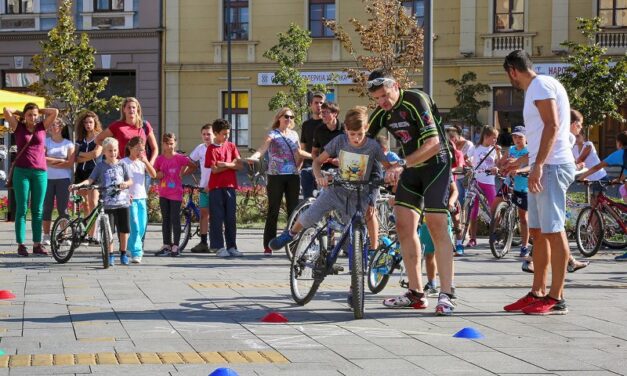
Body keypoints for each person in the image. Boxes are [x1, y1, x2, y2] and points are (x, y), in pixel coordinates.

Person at [268, 106, 394, 306]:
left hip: (360, 195)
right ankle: (290, 234)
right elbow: (318, 161)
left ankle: (355, 288)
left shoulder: (373, 147)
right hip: (336, 191)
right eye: (352, 134)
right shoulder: (340, 141)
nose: (355, 138)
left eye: (359, 134)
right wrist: (318, 176)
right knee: (311, 215)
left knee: (356, 243)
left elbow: (387, 167)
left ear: (367, 128)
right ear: (346, 131)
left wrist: (393, 172)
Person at [365, 69, 456, 316]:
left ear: (395, 85)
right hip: (411, 169)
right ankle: (416, 293)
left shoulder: (416, 99)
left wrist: (401, 164)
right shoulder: (383, 112)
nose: (383, 102)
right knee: (404, 224)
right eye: (377, 99)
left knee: (437, 224)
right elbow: (364, 140)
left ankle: (446, 293)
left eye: (385, 95)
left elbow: (434, 142)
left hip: (436, 164)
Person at [502, 49, 576, 315]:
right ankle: (537, 292)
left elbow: (552, 126)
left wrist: (539, 165)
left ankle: (557, 298)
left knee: (554, 231)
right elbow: (543, 131)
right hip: (543, 165)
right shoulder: (540, 86)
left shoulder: (541, 85)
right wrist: (522, 163)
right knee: (538, 231)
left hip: (552, 167)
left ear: (512, 70)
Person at [3, 103, 58, 256]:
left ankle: (37, 244)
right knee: (21, 208)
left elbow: (55, 111)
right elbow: (6, 110)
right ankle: (21, 244)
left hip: (40, 172)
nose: (32, 118)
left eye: (34, 115)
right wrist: (22, 112)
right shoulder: (18, 127)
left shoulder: (42, 126)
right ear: (24, 116)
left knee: (38, 209)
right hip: (22, 172)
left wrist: (38, 110)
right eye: (29, 115)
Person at [70, 137, 133, 266]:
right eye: (110, 150)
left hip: (123, 203)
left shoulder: (122, 164)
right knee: (109, 230)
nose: (113, 153)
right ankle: (110, 254)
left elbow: (130, 180)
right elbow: (90, 180)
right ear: (104, 151)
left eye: (115, 150)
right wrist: (78, 185)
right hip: (108, 203)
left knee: (124, 230)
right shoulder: (100, 166)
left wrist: (125, 184)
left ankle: (123, 253)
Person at [249, 108, 302, 256]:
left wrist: (313, 160)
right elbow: (263, 148)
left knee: (294, 211)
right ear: (279, 117)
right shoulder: (273, 134)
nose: (289, 119)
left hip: (292, 175)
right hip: (276, 176)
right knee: (273, 210)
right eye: (286, 116)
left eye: (292, 117)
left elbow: (299, 153)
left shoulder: (294, 134)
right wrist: (255, 156)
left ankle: (293, 246)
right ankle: (268, 245)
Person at [578, 131, 627, 261]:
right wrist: (619, 179)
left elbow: (597, 167)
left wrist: (581, 177)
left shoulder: (620, 153)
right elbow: (624, 174)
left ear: (619, 143)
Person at [153, 133, 196, 257]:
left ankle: (176, 246)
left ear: (175, 143)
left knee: (175, 219)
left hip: (176, 193)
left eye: (172, 143)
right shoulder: (160, 159)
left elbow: (193, 166)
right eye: (167, 143)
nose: (169, 146)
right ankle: (166, 244)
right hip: (163, 193)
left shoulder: (180, 158)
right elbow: (154, 172)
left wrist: (183, 174)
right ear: (163, 144)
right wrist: (158, 175)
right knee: (165, 219)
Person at [205, 119, 244, 257]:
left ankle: (232, 246)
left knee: (230, 218)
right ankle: (219, 247)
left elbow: (239, 165)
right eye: (223, 134)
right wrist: (230, 164)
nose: (226, 136)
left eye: (228, 133)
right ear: (215, 133)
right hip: (216, 187)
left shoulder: (232, 146)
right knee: (217, 217)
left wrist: (225, 164)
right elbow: (214, 170)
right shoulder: (211, 148)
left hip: (230, 186)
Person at [420, 179, 459, 297]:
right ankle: (432, 284)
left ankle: (450, 285)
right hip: (426, 216)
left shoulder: (445, 170)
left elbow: (455, 190)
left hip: (442, 213)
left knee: (446, 252)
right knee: (429, 253)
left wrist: (451, 202)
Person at [495, 125, 530, 257]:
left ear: (526, 138)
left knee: (523, 217)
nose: (517, 139)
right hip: (510, 184)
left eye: (520, 137)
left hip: (523, 186)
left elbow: (531, 166)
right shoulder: (511, 149)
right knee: (497, 203)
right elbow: (500, 164)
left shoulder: (529, 150)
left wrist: (519, 170)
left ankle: (525, 246)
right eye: (514, 137)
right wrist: (497, 167)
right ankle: (500, 230)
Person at [121, 137, 156, 263]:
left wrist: (146, 161)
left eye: (142, 150)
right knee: (134, 225)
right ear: (130, 148)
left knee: (141, 227)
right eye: (137, 149)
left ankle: (131, 246)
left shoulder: (142, 162)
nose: (139, 152)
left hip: (141, 197)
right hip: (129, 199)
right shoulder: (123, 162)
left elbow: (153, 175)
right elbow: (120, 180)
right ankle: (137, 252)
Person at [97, 97, 159, 166]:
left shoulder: (145, 125)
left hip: (142, 167)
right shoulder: (117, 126)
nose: (131, 110)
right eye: (129, 107)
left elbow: (154, 148)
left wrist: (150, 163)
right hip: (122, 166)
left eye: (133, 107)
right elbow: (98, 139)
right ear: (124, 109)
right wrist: (112, 149)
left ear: (137, 109)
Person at [42, 119, 75, 246]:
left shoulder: (68, 144)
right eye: (49, 125)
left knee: (63, 208)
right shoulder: (46, 142)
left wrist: (50, 160)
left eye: (53, 125)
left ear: (60, 127)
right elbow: (41, 159)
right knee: (47, 207)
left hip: (63, 180)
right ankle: (46, 235)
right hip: (47, 179)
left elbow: (70, 163)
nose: (50, 127)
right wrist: (61, 160)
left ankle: (64, 235)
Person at [467, 126, 501, 248]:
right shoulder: (475, 148)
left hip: (489, 181)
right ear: (486, 137)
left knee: (495, 209)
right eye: (494, 138)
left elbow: (499, 164)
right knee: (473, 211)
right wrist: (469, 164)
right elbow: (466, 159)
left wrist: (498, 155)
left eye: (496, 138)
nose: (495, 141)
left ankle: (493, 235)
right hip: (476, 181)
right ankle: (472, 238)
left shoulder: (494, 150)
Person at [74, 111, 103, 243]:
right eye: (85, 122)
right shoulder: (80, 139)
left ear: (95, 123)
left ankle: (94, 233)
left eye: (90, 122)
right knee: (84, 204)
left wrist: (82, 154)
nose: (88, 125)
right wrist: (84, 155)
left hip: (94, 172)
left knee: (93, 203)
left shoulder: (99, 138)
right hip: (80, 173)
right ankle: (86, 232)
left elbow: (96, 154)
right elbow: (75, 158)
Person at [189, 124, 214, 254]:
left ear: (214, 134)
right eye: (204, 134)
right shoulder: (200, 148)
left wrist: (211, 185)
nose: (206, 136)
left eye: (208, 134)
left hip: (215, 188)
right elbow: (190, 161)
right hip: (204, 187)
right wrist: (182, 172)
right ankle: (204, 242)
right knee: (204, 214)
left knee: (216, 216)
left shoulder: (216, 148)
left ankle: (218, 242)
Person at [299, 93, 325, 198]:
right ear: (311, 105)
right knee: (308, 200)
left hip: (324, 167)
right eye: (316, 103)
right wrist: (298, 167)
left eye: (321, 103)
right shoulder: (306, 125)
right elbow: (302, 148)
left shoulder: (327, 124)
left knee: (323, 200)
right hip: (307, 167)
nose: (318, 105)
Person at [571, 110, 606, 180]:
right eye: (575, 136)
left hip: (600, 176)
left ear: (583, 136)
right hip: (589, 178)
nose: (575, 138)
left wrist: (575, 165)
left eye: (578, 136)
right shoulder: (574, 148)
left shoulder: (588, 145)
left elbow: (580, 160)